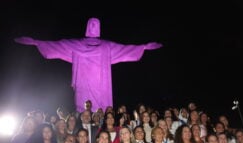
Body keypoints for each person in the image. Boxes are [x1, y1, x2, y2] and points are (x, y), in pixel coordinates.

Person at [15, 17, 162, 112]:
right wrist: (36, 42)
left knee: (101, 112)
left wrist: (142, 47)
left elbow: (125, 49)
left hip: (101, 87)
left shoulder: (106, 46)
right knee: (83, 111)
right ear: (87, 26)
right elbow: (57, 46)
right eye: (91, 24)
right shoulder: (77, 44)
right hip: (84, 85)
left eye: (95, 24)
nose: (93, 26)